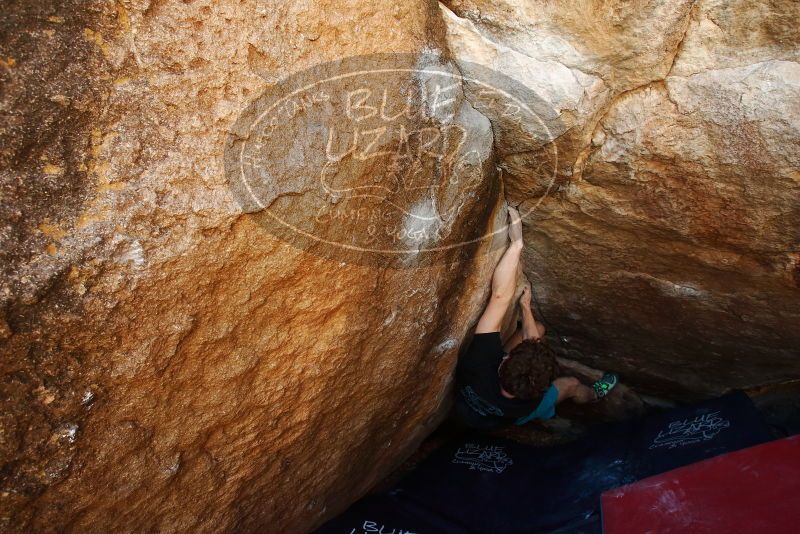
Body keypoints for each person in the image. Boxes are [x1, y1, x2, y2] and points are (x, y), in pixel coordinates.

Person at [454, 206, 619, 431]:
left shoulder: (480, 363)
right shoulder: (531, 402)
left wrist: (516, 244)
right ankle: (593, 395)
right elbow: (531, 337)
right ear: (543, 388)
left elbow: (500, 297)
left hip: (465, 408)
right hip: (503, 420)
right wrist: (526, 308)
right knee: (570, 385)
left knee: (536, 329)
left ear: (505, 360)